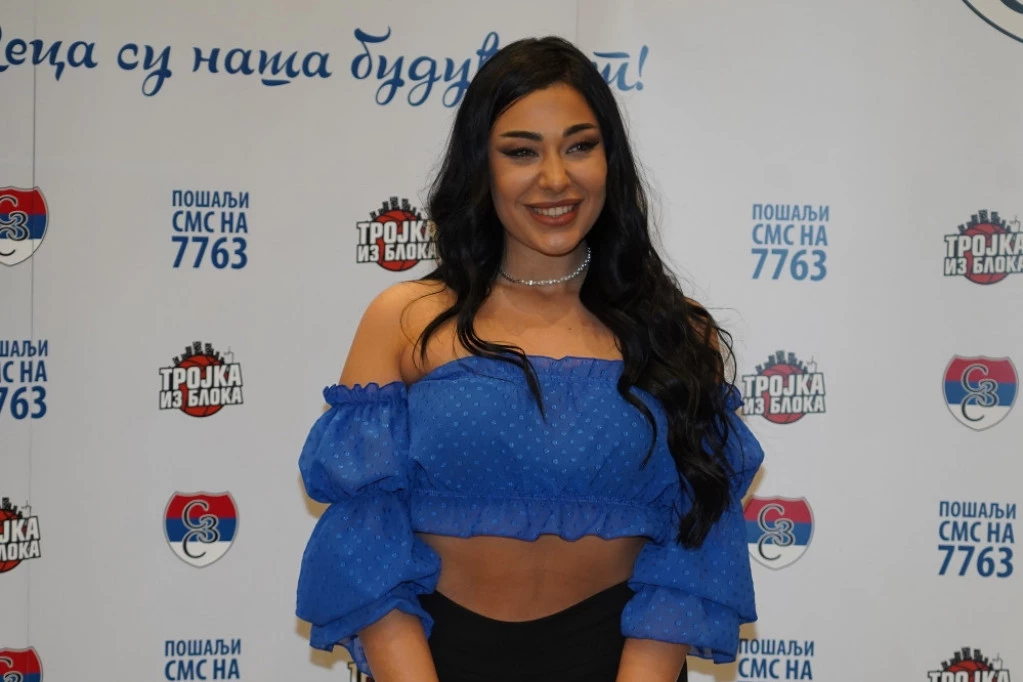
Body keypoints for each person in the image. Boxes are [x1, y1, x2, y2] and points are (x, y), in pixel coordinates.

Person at [296, 36, 764, 682]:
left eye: (579, 146)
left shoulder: (678, 332)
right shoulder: (404, 320)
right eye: (521, 151)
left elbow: (696, 539)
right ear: (480, 167)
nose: (555, 178)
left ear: (610, 160)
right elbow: (363, 541)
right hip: (434, 659)